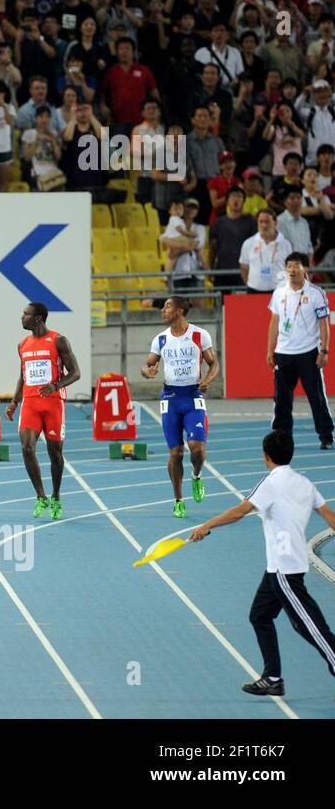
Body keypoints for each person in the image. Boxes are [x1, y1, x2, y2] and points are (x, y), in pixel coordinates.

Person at [189, 430, 335, 697]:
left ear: (266, 456)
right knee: (260, 615)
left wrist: (207, 525)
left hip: (284, 569)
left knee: (310, 625)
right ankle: (272, 677)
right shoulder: (304, 483)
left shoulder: (270, 483)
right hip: (278, 569)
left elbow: (240, 511)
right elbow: (328, 515)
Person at [140, 296, 220, 518]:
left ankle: (196, 476)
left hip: (193, 396)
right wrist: (148, 372)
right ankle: (178, 500)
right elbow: (146, 366)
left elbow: (214, 363)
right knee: (175, 452)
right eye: (163, 307)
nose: (162, 311)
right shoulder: (161, 339)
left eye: (167, 307)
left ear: (180, 310)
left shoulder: (199, 335)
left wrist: (208, 380)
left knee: (197, 447)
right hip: (170, 398)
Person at [5, 302, 80, 519]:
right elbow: (23, 375)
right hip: (30, 404)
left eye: (25, 314)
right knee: (27, 448)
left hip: (53, 404)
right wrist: (14, 401)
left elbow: (76, 373)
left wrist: (55, 385)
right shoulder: (22, 345)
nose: (22, 317)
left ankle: (56, 496)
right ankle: (41, 496)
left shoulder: (58, 341)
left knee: (55, 453)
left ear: (38, 318)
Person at [267, 253, 335, 450]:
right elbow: (274, 322)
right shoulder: (279, 292)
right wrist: (270, 349)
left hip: (308, 353)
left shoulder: (315, 293)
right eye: (289, 265)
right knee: (281, 397)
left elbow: (324, 324)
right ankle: (282, 434)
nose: (292, 269)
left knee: (316, 396)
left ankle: (326, 435)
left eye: (296, 265)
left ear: (305, 268)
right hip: (283, 353)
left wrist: (324, 350)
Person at [240, 210, 292, 292]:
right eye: (261, 222)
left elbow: (290, 269)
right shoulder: (248, 243)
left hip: (279, 291)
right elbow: (244, 267)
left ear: (275, 223)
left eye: (267, 222)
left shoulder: (286, 244)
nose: (264, 225)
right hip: (253, 290)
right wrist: (250, 283)